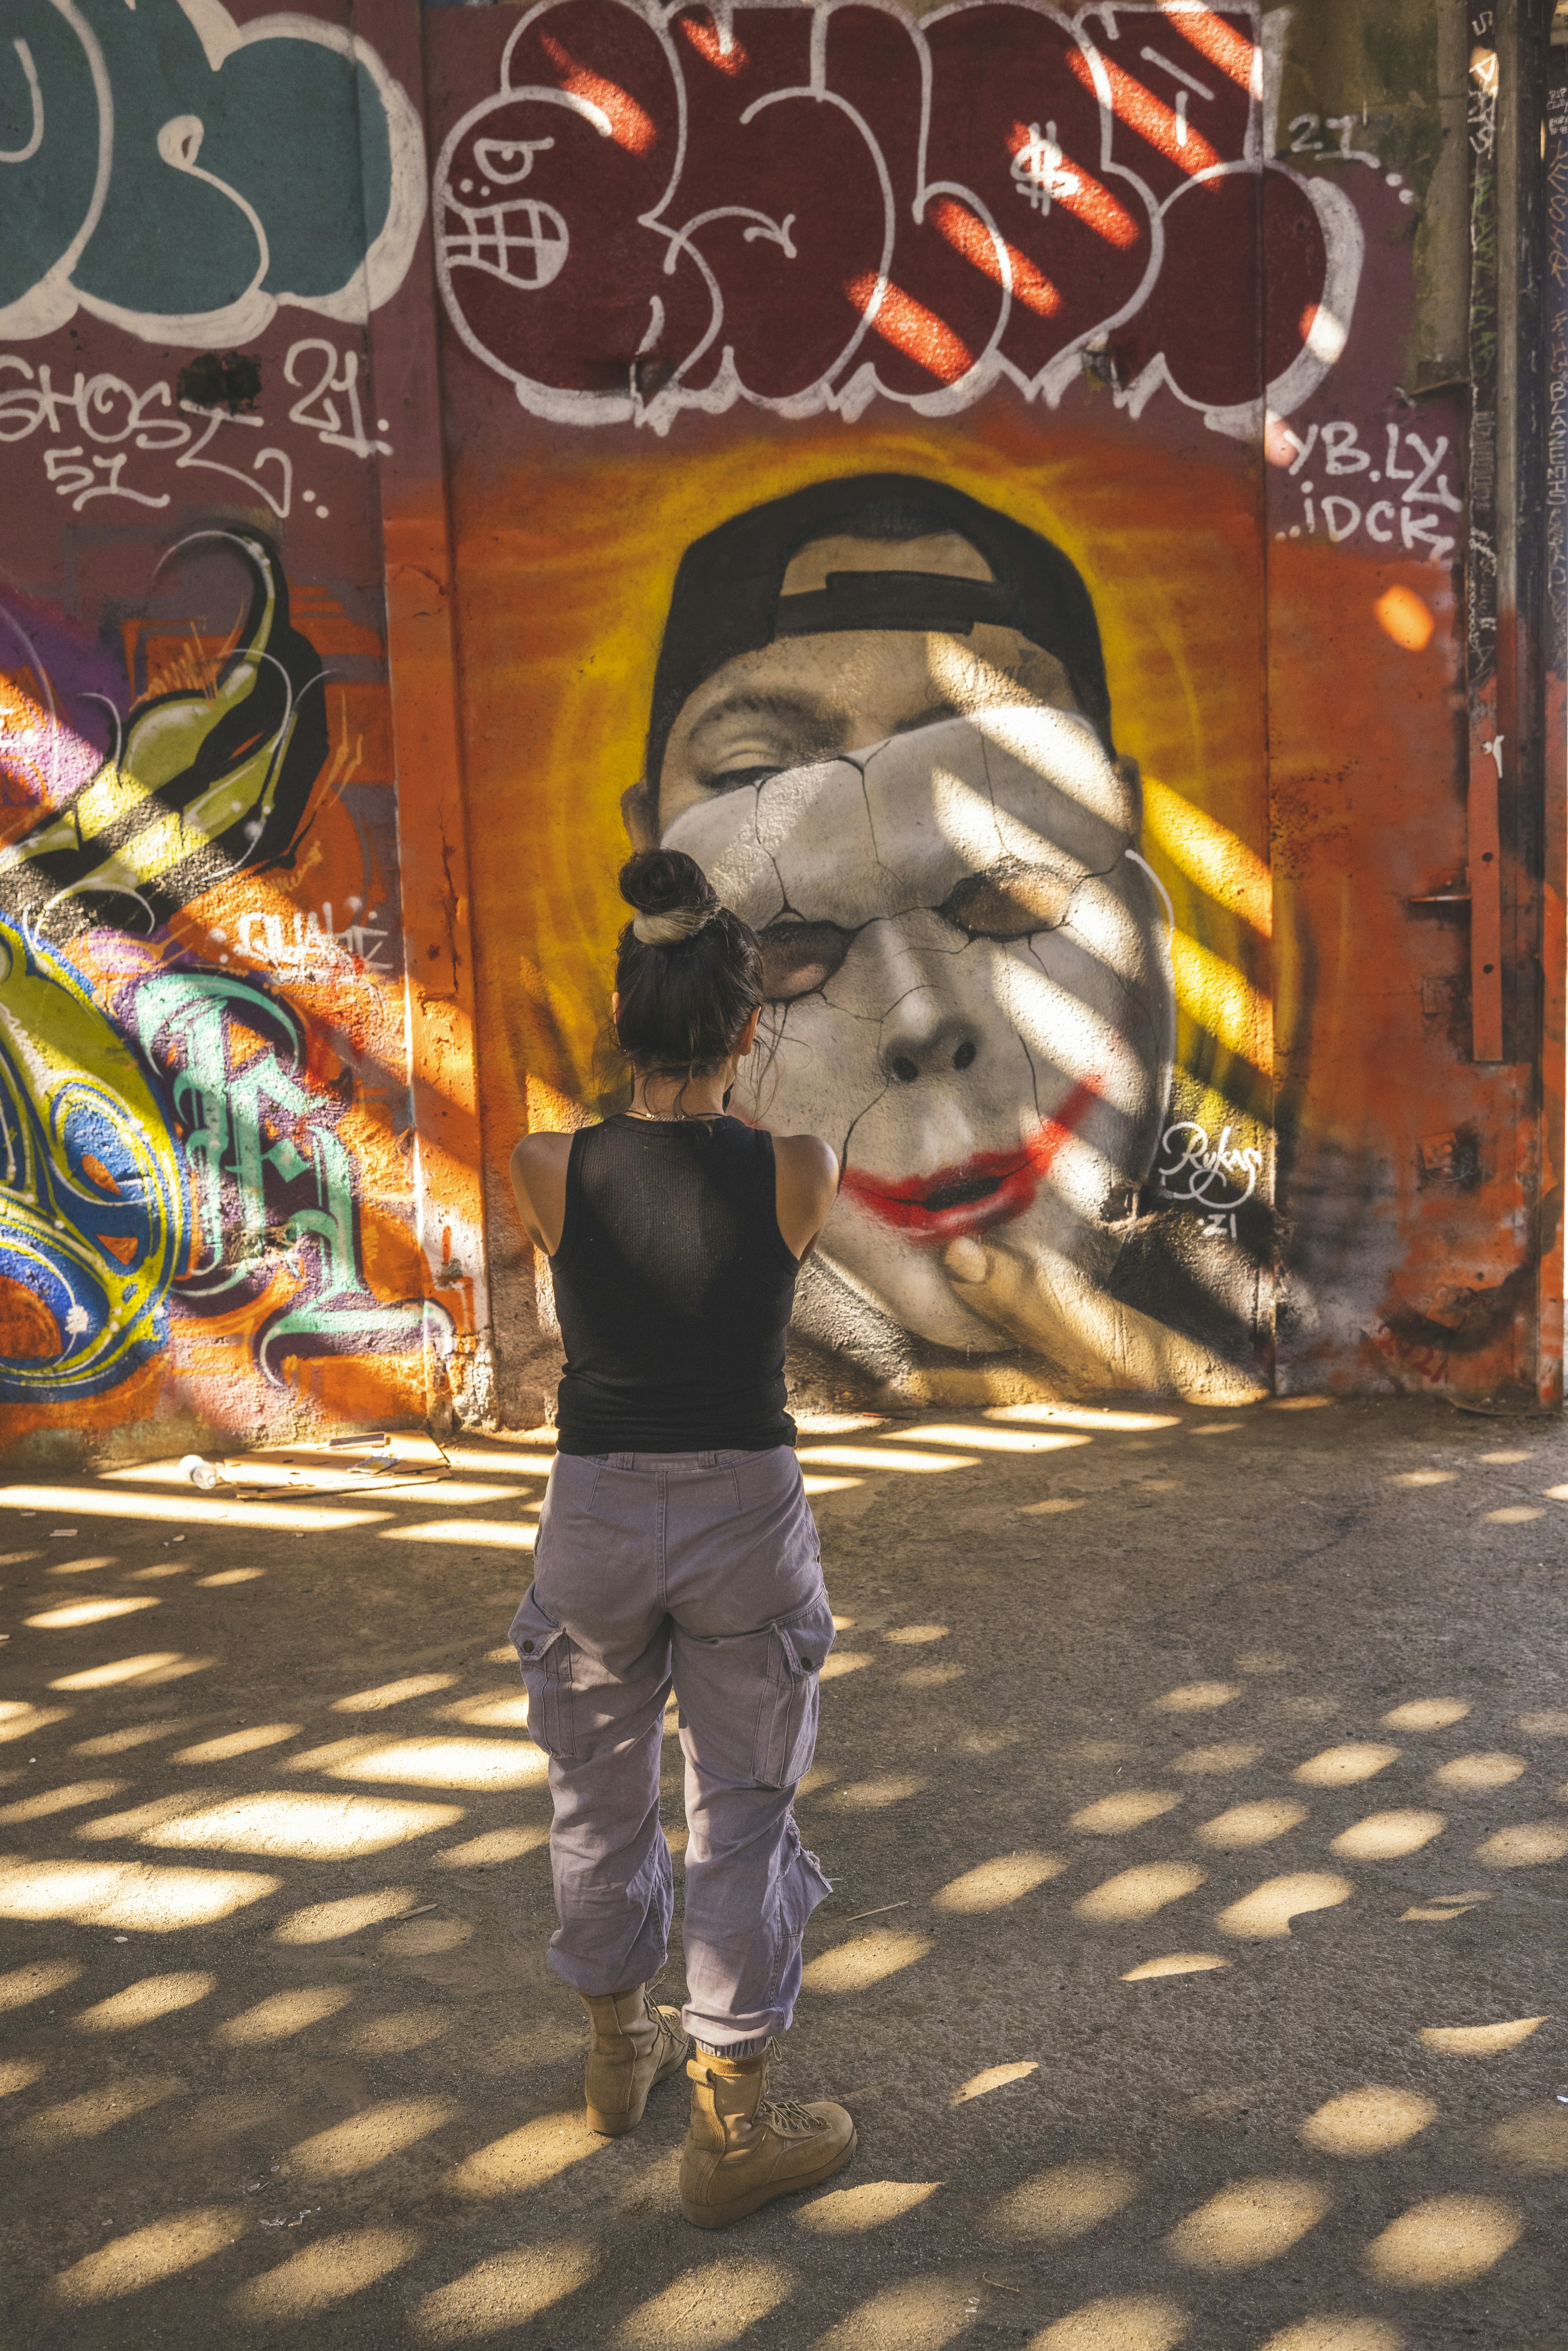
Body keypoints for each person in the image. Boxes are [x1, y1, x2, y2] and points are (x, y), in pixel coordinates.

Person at [617, 471, 1238, 1398]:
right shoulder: (624, 1228)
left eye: (1006, 902)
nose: (916, 1021)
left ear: (1126, 816)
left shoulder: (1293, 1246)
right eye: (787, 954)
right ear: (650, 858)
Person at [508, 845, 855, 2230]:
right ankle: (734, 2121)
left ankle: (614, 2053)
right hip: (741, 1518)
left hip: (593, 1510)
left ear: (619, 1011)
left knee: (594, 1790)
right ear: (746, 1025)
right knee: (744, 1806)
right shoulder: (800, 1167)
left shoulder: (549, 1164)